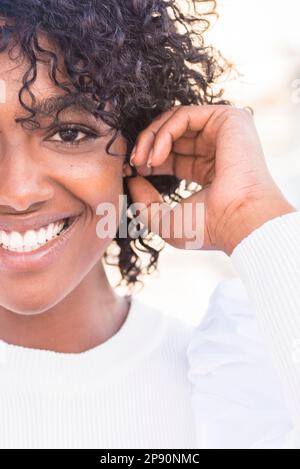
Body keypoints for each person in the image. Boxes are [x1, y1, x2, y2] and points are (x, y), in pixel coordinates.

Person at [0, 0, 299, 450]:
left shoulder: (235, 385)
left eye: (68, 133)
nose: (17, 192)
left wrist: (252, 214)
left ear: (136, 145)